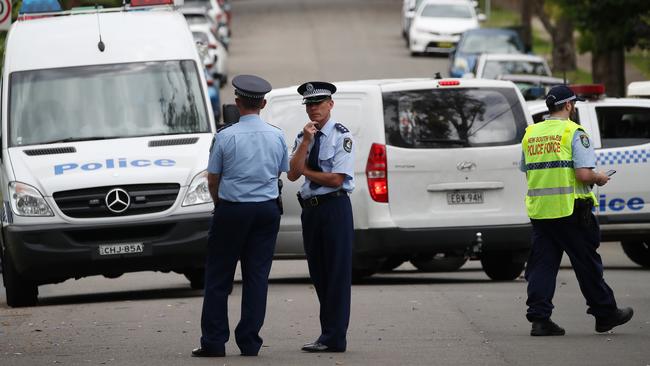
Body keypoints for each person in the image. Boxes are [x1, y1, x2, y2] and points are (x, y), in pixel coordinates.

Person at [520, 85, 633, 336]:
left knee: (542, 266)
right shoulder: (573, 132)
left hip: (541, 211)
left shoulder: (531, 133)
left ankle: (539, 320)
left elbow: (527, 169)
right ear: (569, 105)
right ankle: (605, 314)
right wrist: (599, 177)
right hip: (572, 210)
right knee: (587, 264)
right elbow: (583, 174)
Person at [192, 74, 289, 357]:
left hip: (232, 210)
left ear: (237, 102)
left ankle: (214, 341)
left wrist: (219, 202)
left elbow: (213, 178)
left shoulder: (225, 136)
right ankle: (249, 341)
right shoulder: (276, 135)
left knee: (219, 276)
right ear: (263, 103)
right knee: (257, 277)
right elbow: (281, 170)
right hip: (266, 211)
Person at [287, 81, 355, 352]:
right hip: (311, 209)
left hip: (335, 208)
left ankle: (335, 337)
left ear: (330, 104)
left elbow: (336, 179)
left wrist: (306, 171)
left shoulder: (341, 136)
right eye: (309, 104)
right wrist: (306, 141)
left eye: (319, 103)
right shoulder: (303, 135)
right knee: (319, 273)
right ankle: (328, 333)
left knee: (336, 273)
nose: (314, 109)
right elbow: (291, 173)